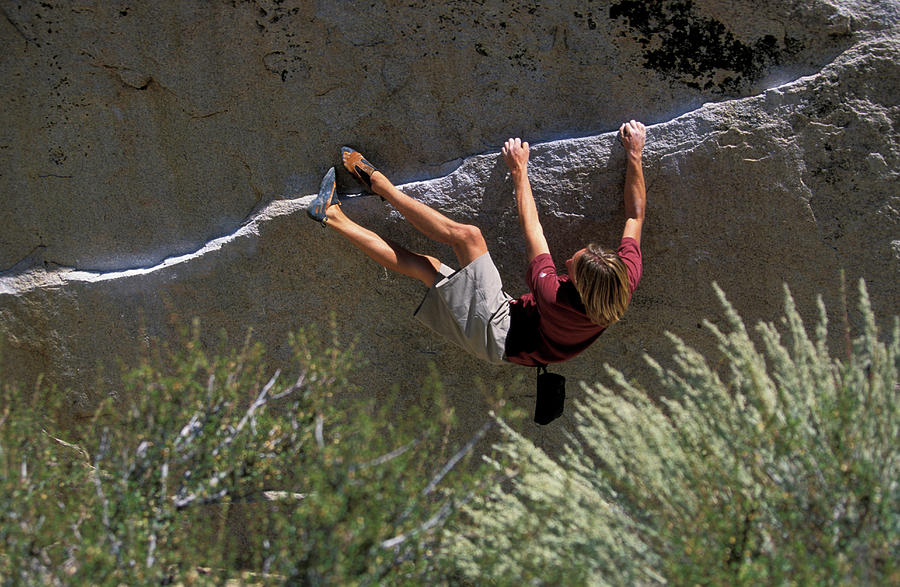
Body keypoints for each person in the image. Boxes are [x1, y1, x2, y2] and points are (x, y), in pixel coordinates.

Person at [307, 120, 646, 367]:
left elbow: (533, 230)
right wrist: (634, 154)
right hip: (511, 339)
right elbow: (635, 216)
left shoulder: (553, 294)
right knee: (426, 267)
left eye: (571, 267)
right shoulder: (623, 278)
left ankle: (379, 184)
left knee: (468, 237)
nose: (568, 261)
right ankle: (332, 215)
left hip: (497, 329)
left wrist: (519, 171)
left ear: (578, 286)